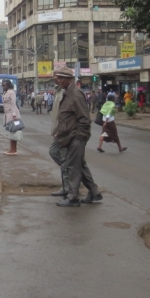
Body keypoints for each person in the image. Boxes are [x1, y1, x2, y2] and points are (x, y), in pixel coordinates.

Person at [48, 66, 101, 207]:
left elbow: (84, 119)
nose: (58, 80)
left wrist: (79, 137)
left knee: (73, 167)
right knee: (79, 166)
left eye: (60, 78)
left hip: (75, 138)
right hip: (68, 137)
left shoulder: (76, 94)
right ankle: (94, 192)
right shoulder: (67, 92)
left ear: (68, 79)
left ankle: (73, 197)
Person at [2, 79, 19, 156]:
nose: (3, 87)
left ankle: (14, 150)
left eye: (4, 85)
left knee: (13, 132)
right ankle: (11, 149)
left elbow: (13, 104)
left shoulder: (11, 92)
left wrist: (14, 115)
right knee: (10, 132)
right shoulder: (5, 93)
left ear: (8, 85)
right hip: (7, 115)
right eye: (2, 85)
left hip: (12, 115)